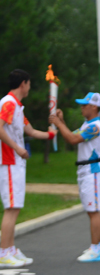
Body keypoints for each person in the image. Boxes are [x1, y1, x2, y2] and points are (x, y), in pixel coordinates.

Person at [0, 69, 56, 267]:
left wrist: (51, 134)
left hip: (16, 162)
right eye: (29, 84)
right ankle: (3, 252)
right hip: (9, 161)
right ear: (23, 83)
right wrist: (17, 148)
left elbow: (30, 131)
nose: (30, 87)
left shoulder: (17, 107)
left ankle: (10, 248)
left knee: (15, 208)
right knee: (11, 208)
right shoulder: (8, 103)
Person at [49, 92, 100, 262]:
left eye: (85, 104)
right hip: (85, 171)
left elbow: (73, 139)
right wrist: (62, 123)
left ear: (95, 107)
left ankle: (96, 248)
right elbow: (70, 136)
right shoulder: (86, 125)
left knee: (94, 211)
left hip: (93, 171)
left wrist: (59, 123)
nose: (82, 107)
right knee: (92, 211)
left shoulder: (96, 126)